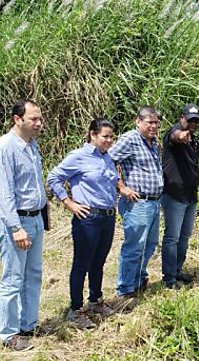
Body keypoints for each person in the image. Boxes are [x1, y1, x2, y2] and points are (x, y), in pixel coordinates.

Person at [47, 119, 118, 329]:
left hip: (108, 216)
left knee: (99, 262)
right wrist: (69, 203)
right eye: (105, 136)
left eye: (111, 137)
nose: (109, 140)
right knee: (82, 264)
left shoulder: (108, 158)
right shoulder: (79, 157)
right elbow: (54, 178)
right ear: (92, 135)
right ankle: (75, 310)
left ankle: (95, 300)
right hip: (88, 219)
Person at [0, 99, 47, 351]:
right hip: (17, 222)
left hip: (34, 218)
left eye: (40, 119)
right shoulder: (3, 148)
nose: (39, 123)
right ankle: (9, 334)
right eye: (34, 119)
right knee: (13, 278)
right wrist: (15, 227)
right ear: (17, 119)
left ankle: (28, 324)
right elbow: (4, 194)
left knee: (33, 275)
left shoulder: (31, 146)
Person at [108, 106, 163, 297]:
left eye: (156, 122)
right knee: (134, 246)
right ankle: (124, 288)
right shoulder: (130, 139)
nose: (154, 126)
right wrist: (122, 187)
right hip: (137, 203)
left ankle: (138, 279)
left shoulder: (152, 141)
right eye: (149, 122)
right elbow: (107, 161)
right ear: (138, 121)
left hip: (154, 202)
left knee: (149, 244)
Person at [161, 104, 199, 289]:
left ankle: (177, 270)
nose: (192, 123)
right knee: (172, 238)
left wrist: (188, 137)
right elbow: (175, 136)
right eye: (189, 119)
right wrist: (181, 135)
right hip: (175, 196)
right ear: (181, 118)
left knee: (184, 236)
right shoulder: (175, 134)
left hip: (191, 197)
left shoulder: (195, 141)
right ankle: (169, 278)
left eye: (196, 120)